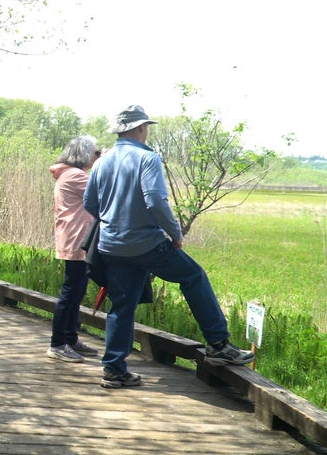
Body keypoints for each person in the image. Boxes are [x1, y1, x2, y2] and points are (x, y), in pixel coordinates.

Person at [83, 105, 255, 388]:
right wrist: (174, 233)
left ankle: (114, 368)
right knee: (193, 276)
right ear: (140, 128)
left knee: (122, 305)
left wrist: (115, 218)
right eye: (146, 127)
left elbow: (90, 203)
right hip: (146, 244)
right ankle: (218, 344)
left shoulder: (102, 161)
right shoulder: (147, 159)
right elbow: (155, 201)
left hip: (111, 246)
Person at [46, 136, 102, 363]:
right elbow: (102, 192)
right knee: (71, 292)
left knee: (77, 290)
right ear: (82, 154)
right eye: (94, 152)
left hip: (75, 238)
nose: (95, 156)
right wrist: (103, 164)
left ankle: (70, 337)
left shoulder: (69, 174)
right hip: (76, 239)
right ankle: (58, 343)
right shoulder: (76, 176)